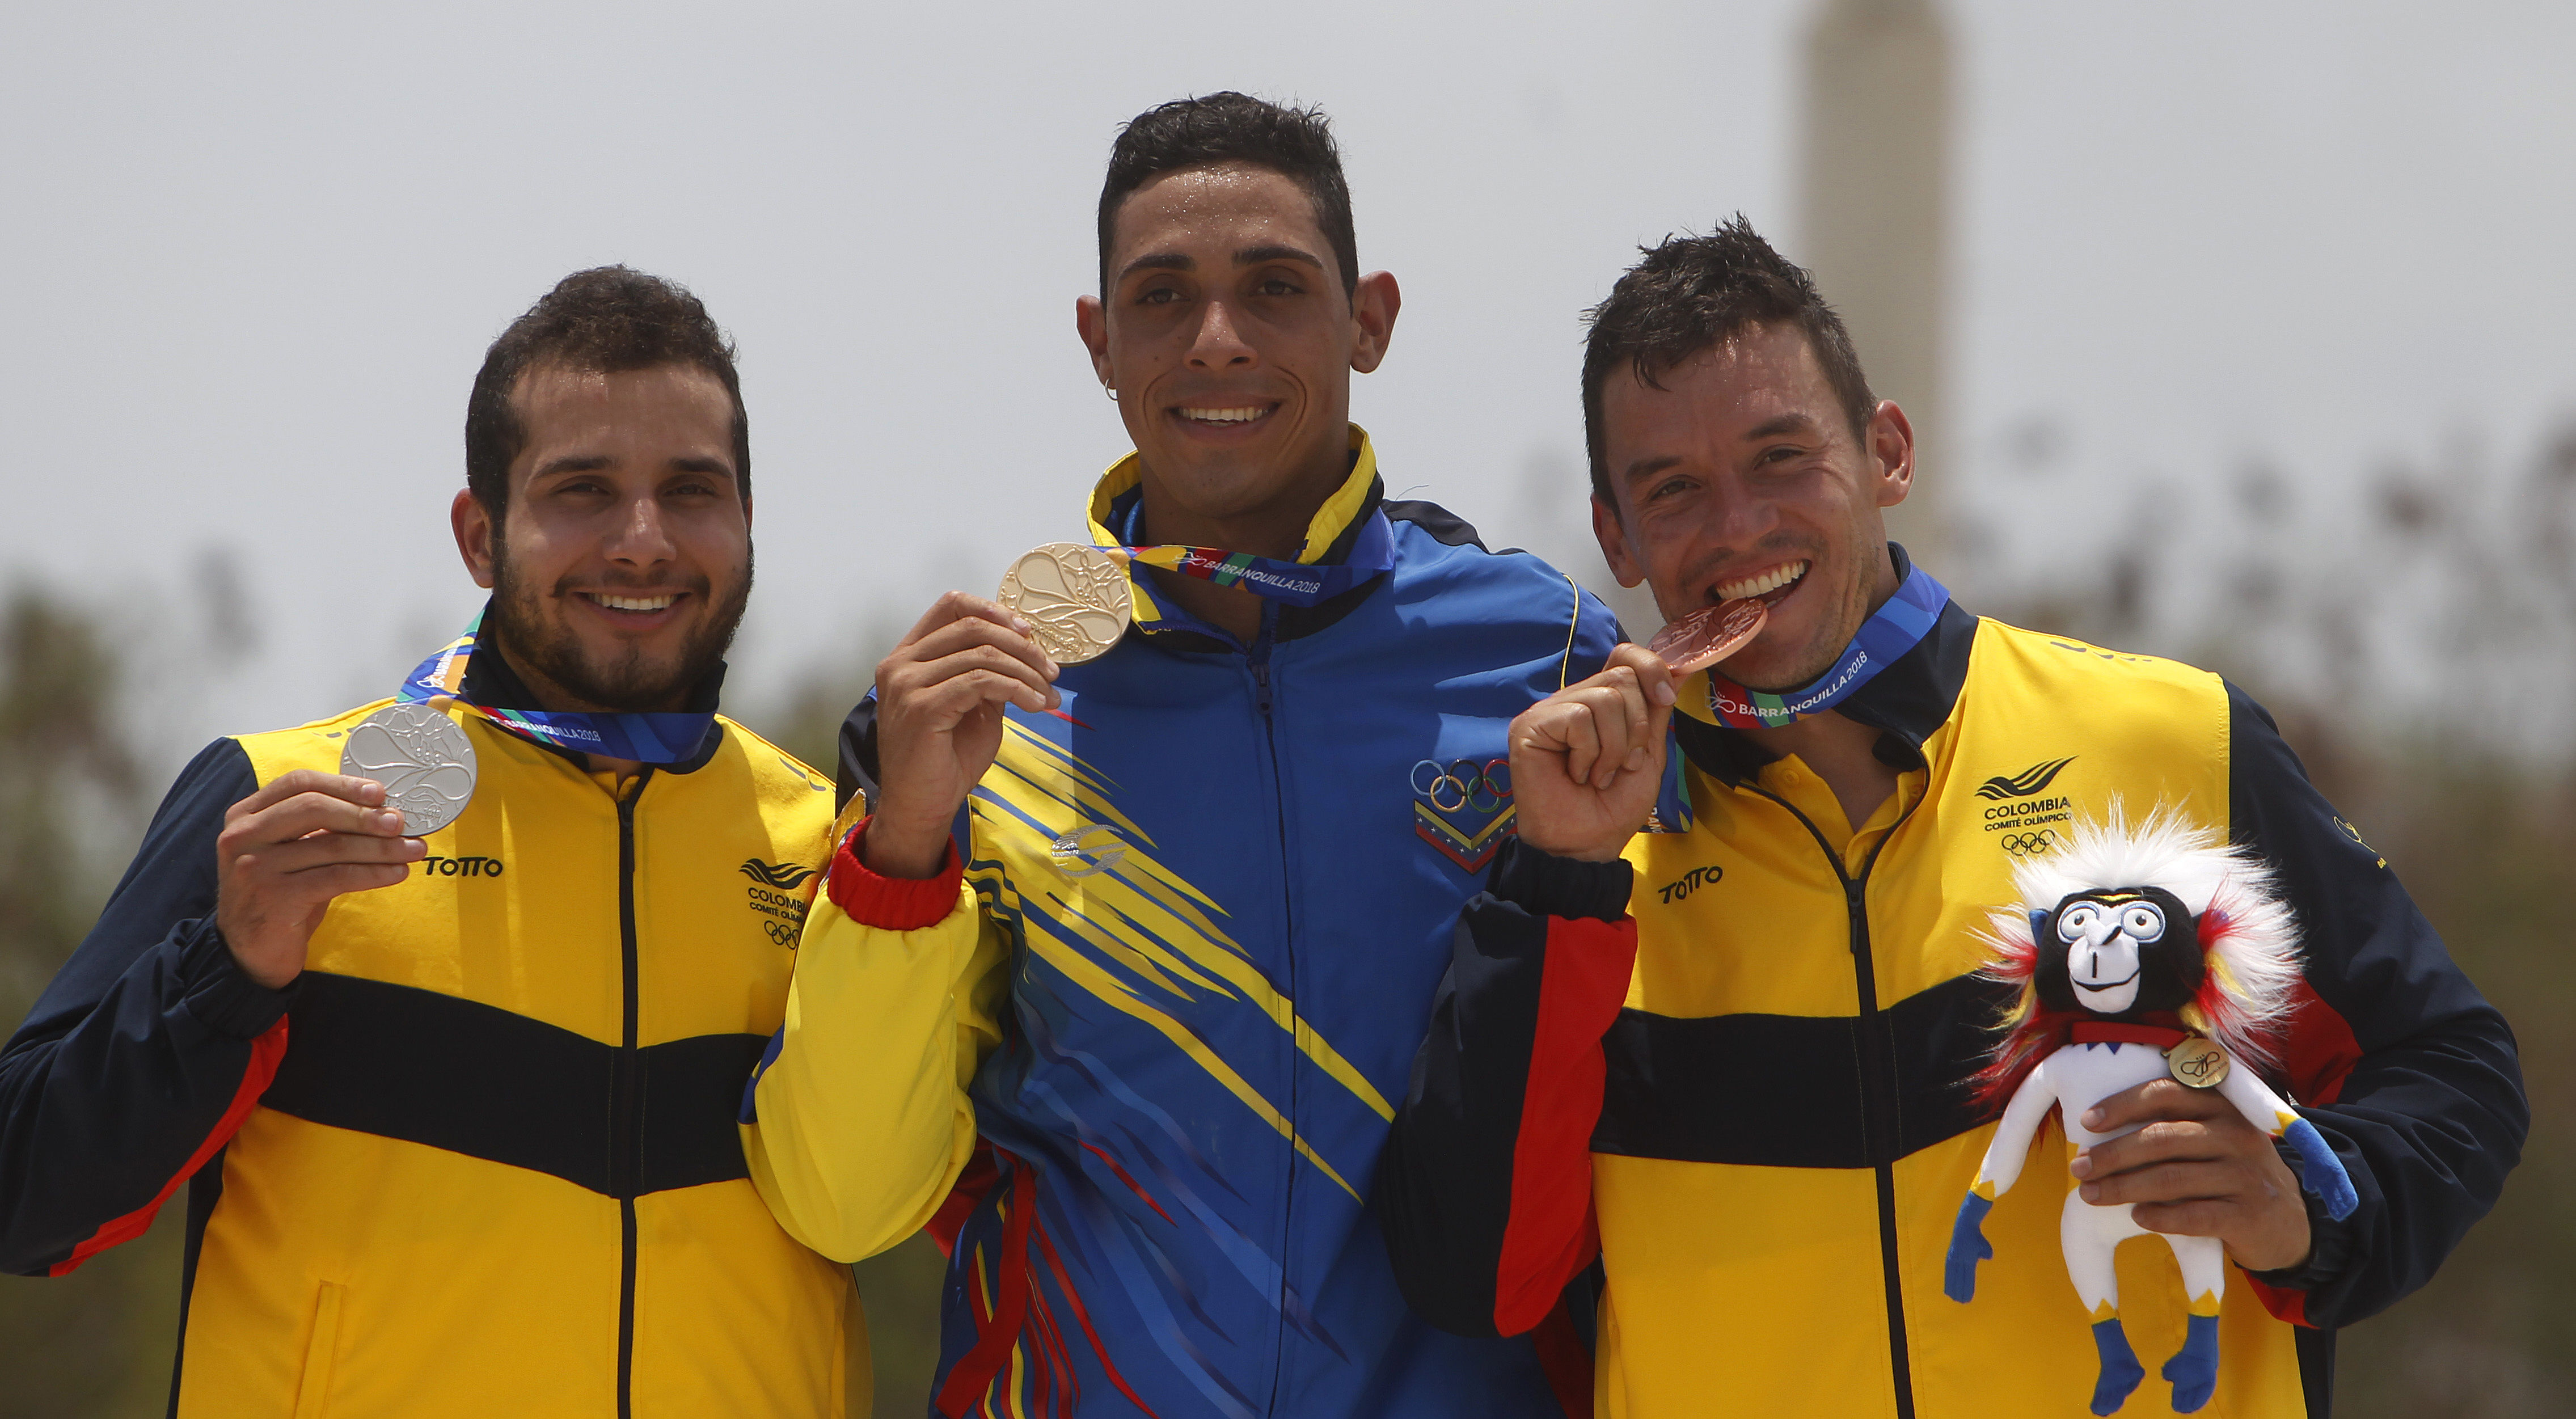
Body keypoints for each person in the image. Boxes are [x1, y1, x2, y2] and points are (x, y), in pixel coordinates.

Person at [1371, 219, 2527, 1418]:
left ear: (1886, 453)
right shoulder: (1589, 850)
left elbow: (2453, 1070)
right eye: (1673, 490)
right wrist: (1557, 882)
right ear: (1615, 535)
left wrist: (2311, 1209)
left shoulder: (2168, 742)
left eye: (1781, 458)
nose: (1739, 527)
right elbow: (1476, 1279)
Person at [744, 93, 1614, 1418]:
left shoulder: (1547, 659)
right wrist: (903, 847)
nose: (1218, 341)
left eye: (1275, 287)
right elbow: (848, 1198)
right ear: (1098, 341)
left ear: (1369, 319)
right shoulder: (977, 716)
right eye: (1161, 298)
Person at [0, 268, 857, 1417]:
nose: (644, 540)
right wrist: (223, 981)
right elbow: (25, 1199)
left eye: (691, 490)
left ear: (747, 522)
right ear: (480, 533)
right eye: (584, 490)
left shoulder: (832, 852)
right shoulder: (277, 804)